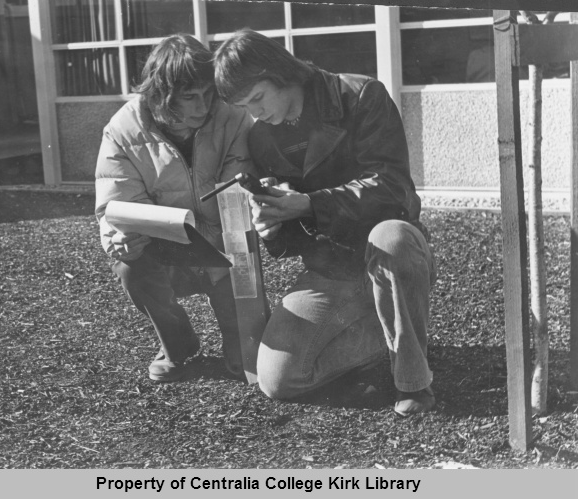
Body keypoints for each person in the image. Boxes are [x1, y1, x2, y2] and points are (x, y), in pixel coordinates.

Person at [214, 29, 437, 416]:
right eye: (245, 106)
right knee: (279, 379)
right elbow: (293, 242)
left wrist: (308, 203)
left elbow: (393, 188)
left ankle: (413, 381)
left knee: (392, 237)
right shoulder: (263, 137)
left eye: (258, 98)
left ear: (281, 74)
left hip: (389, 252)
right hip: (331, 268)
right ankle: (391, 332)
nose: (256, 114)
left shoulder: (360, 95)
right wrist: (273, 224)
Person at [95, 34, 255, 383]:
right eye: (189, 97)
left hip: (225, 243)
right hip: (166, 250)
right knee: (128, 264)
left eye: (207, 93)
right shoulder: (123, 130)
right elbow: (115, 205)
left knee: (251, 358)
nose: (203, 106)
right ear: (161, 95)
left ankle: (238, 339)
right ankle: (179, 347)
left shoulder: (234, 118)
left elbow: (237, 198)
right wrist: (120, 239)